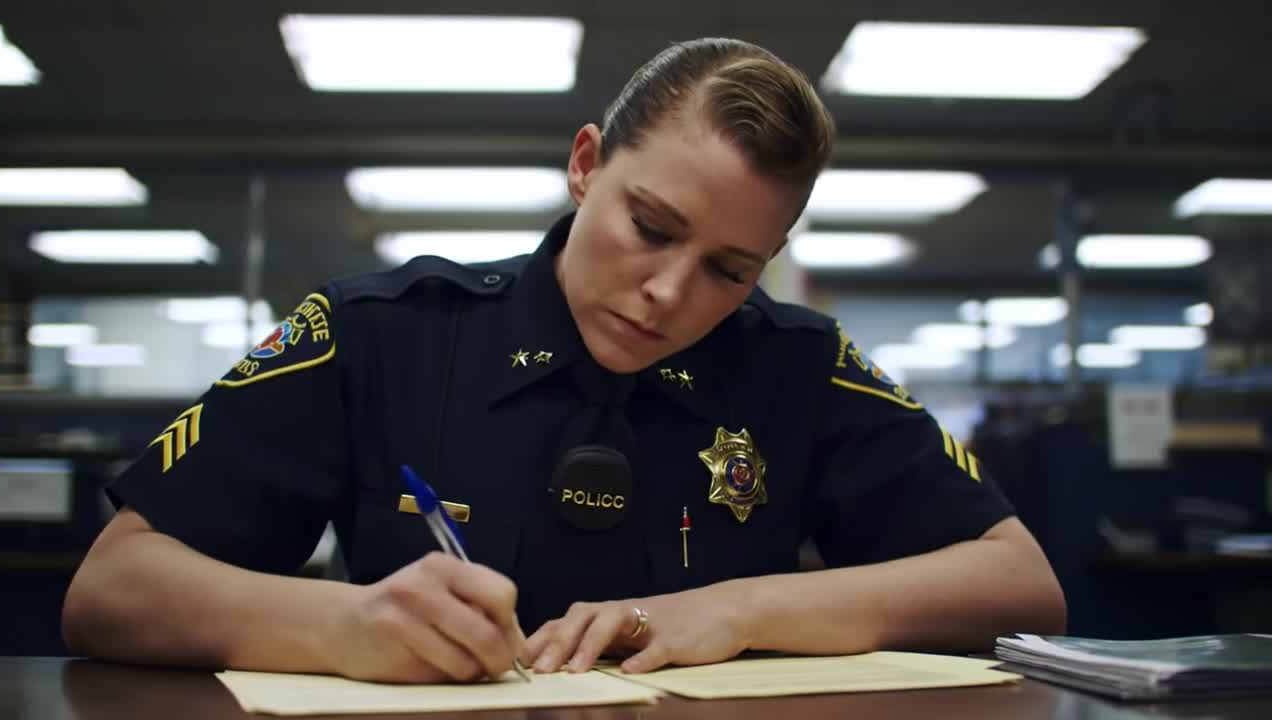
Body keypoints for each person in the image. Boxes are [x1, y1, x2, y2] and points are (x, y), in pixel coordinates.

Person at [62, 37, 1066, 684]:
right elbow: (110, 591)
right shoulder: (382, 333)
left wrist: (739, 607)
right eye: (649, 227)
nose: (669, 295)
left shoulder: (795, 365)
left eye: (729, 269)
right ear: (585, 165)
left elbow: (1018, 585)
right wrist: (339, 626)